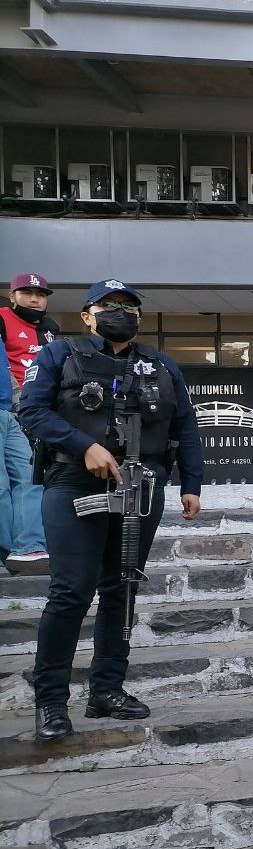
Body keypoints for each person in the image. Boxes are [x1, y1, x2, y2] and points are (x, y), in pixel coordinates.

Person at [18, 279, 203, 742]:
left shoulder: (160, 364)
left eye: (129, 306)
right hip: (74, 483)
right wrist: (85, 447)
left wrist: (192, 484)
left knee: (122, 589)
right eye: (108, 305)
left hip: (143, 487)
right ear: (87, 315)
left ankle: (107, 690)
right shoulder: (60, 355)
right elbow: (33, 412)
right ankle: (51, 701)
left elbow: (185, 423)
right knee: (70, 592)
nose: (120, 312)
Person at [0, 273, 58, 574]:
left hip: (37, 408)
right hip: (11, 404)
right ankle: (12, 549)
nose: (35, 298)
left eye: (40, 293)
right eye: (27, 292)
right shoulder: (1, 317)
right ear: (12, 296)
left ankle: (27, 547)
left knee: (31, 479)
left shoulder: (51, 328)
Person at [0, 363, 47, 575]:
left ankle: (27, 547)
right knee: (1, 487)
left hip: (9, 416)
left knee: (32, 478)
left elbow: (5, 372)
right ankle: (8, 551)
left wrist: (24, 408)